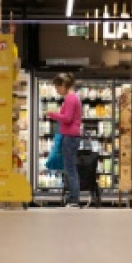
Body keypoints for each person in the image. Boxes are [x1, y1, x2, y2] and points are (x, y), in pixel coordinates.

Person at [46, 72, 83, 208]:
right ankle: (72, 198)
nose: (56, 90)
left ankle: (74, 200)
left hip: (70, 136)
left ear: (64, 85)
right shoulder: (72, 98)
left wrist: (52, 114)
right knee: (69, 167)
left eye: (57, 87)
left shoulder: (71, 99)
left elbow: (67, 118)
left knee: (70, 168)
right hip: (70, 136)